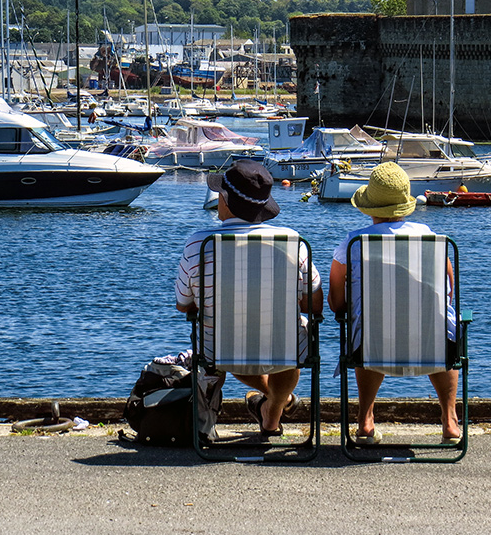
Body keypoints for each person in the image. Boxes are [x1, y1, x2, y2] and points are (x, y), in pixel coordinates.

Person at [176, 160, 323, 437]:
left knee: (231, 337)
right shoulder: (293, 243)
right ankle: (275, 409)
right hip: (286, 347)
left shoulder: (198, 243)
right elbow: (313, 305)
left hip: (219, 348)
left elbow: (183, 304)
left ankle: (272, 408)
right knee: (288, 339)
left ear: (227, 201)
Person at [327, 161, 461, 445]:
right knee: (441, 326)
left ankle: (365, 421)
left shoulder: (353, 243)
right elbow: (450, 294)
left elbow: (336, 302)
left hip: (372, 345)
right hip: (431, 343)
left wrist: (354, 309)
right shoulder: (432, 239)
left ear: (371, 207)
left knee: (368, 325)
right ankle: (450, 421)